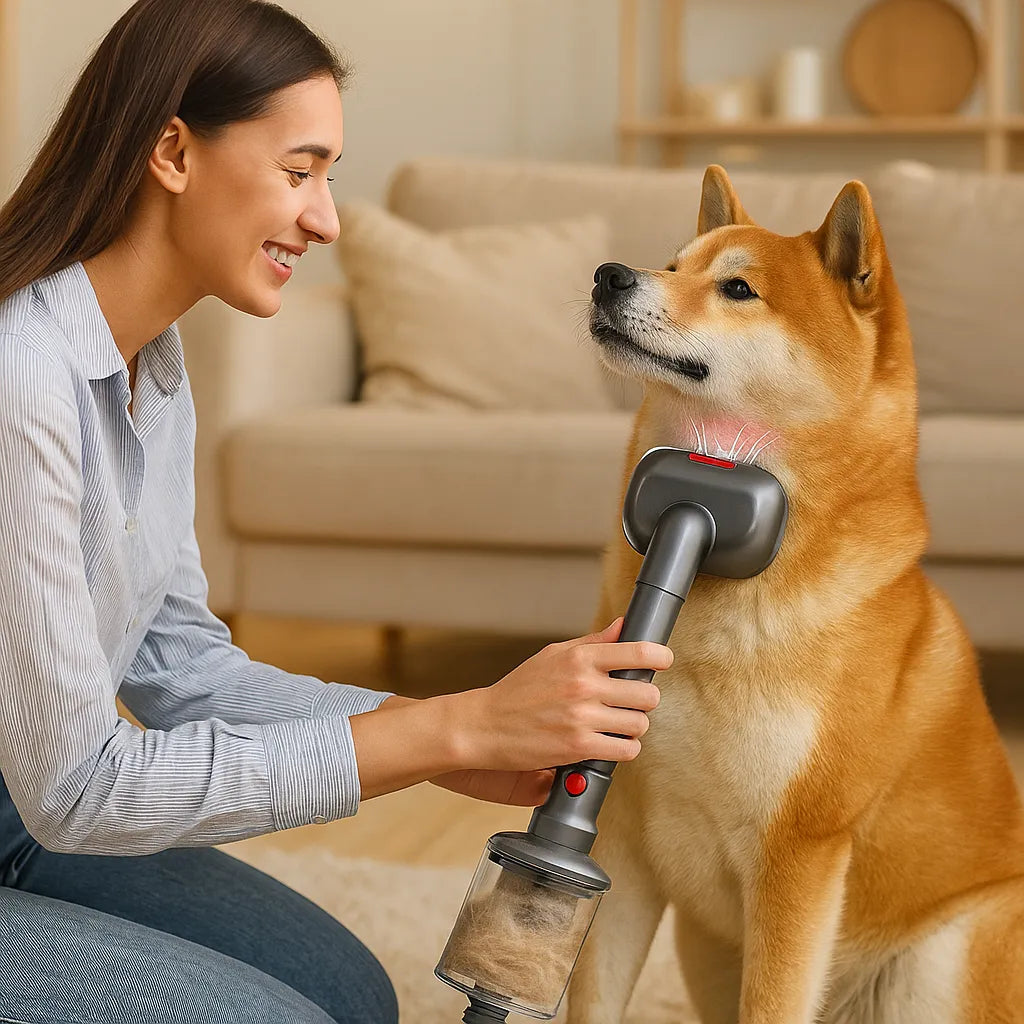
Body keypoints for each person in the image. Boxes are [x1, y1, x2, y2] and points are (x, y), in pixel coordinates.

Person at [0, 1, 672, 1021]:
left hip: (15, 804)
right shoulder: (23, 379)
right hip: (44, 796)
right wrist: (453, 726)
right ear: (172, 151)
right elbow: (83, 787)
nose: (327, 218)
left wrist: (451, 739)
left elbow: (182, 668)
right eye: (301, 169)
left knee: (352, 995)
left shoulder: (154, 368)